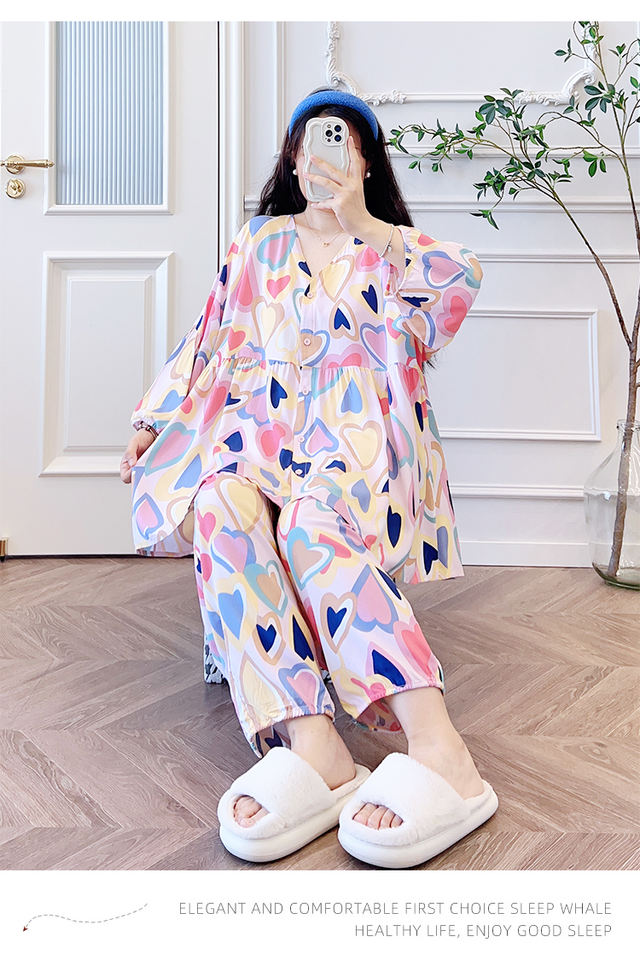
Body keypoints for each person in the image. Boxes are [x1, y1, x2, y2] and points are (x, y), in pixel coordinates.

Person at [120, 87, 497, 869]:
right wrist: (152, 419)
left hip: (359, 444)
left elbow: (459, 286)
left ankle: (441, 748)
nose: (325, 154)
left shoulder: (389, 249)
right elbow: (207, 338)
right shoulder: (258, 243)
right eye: (312, 141)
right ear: (293, 159)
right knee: (220, 501)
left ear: (365, 162)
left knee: (309, 524)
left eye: (343, 141)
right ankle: (313, 742)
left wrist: (363, 222)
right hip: (259, 432)